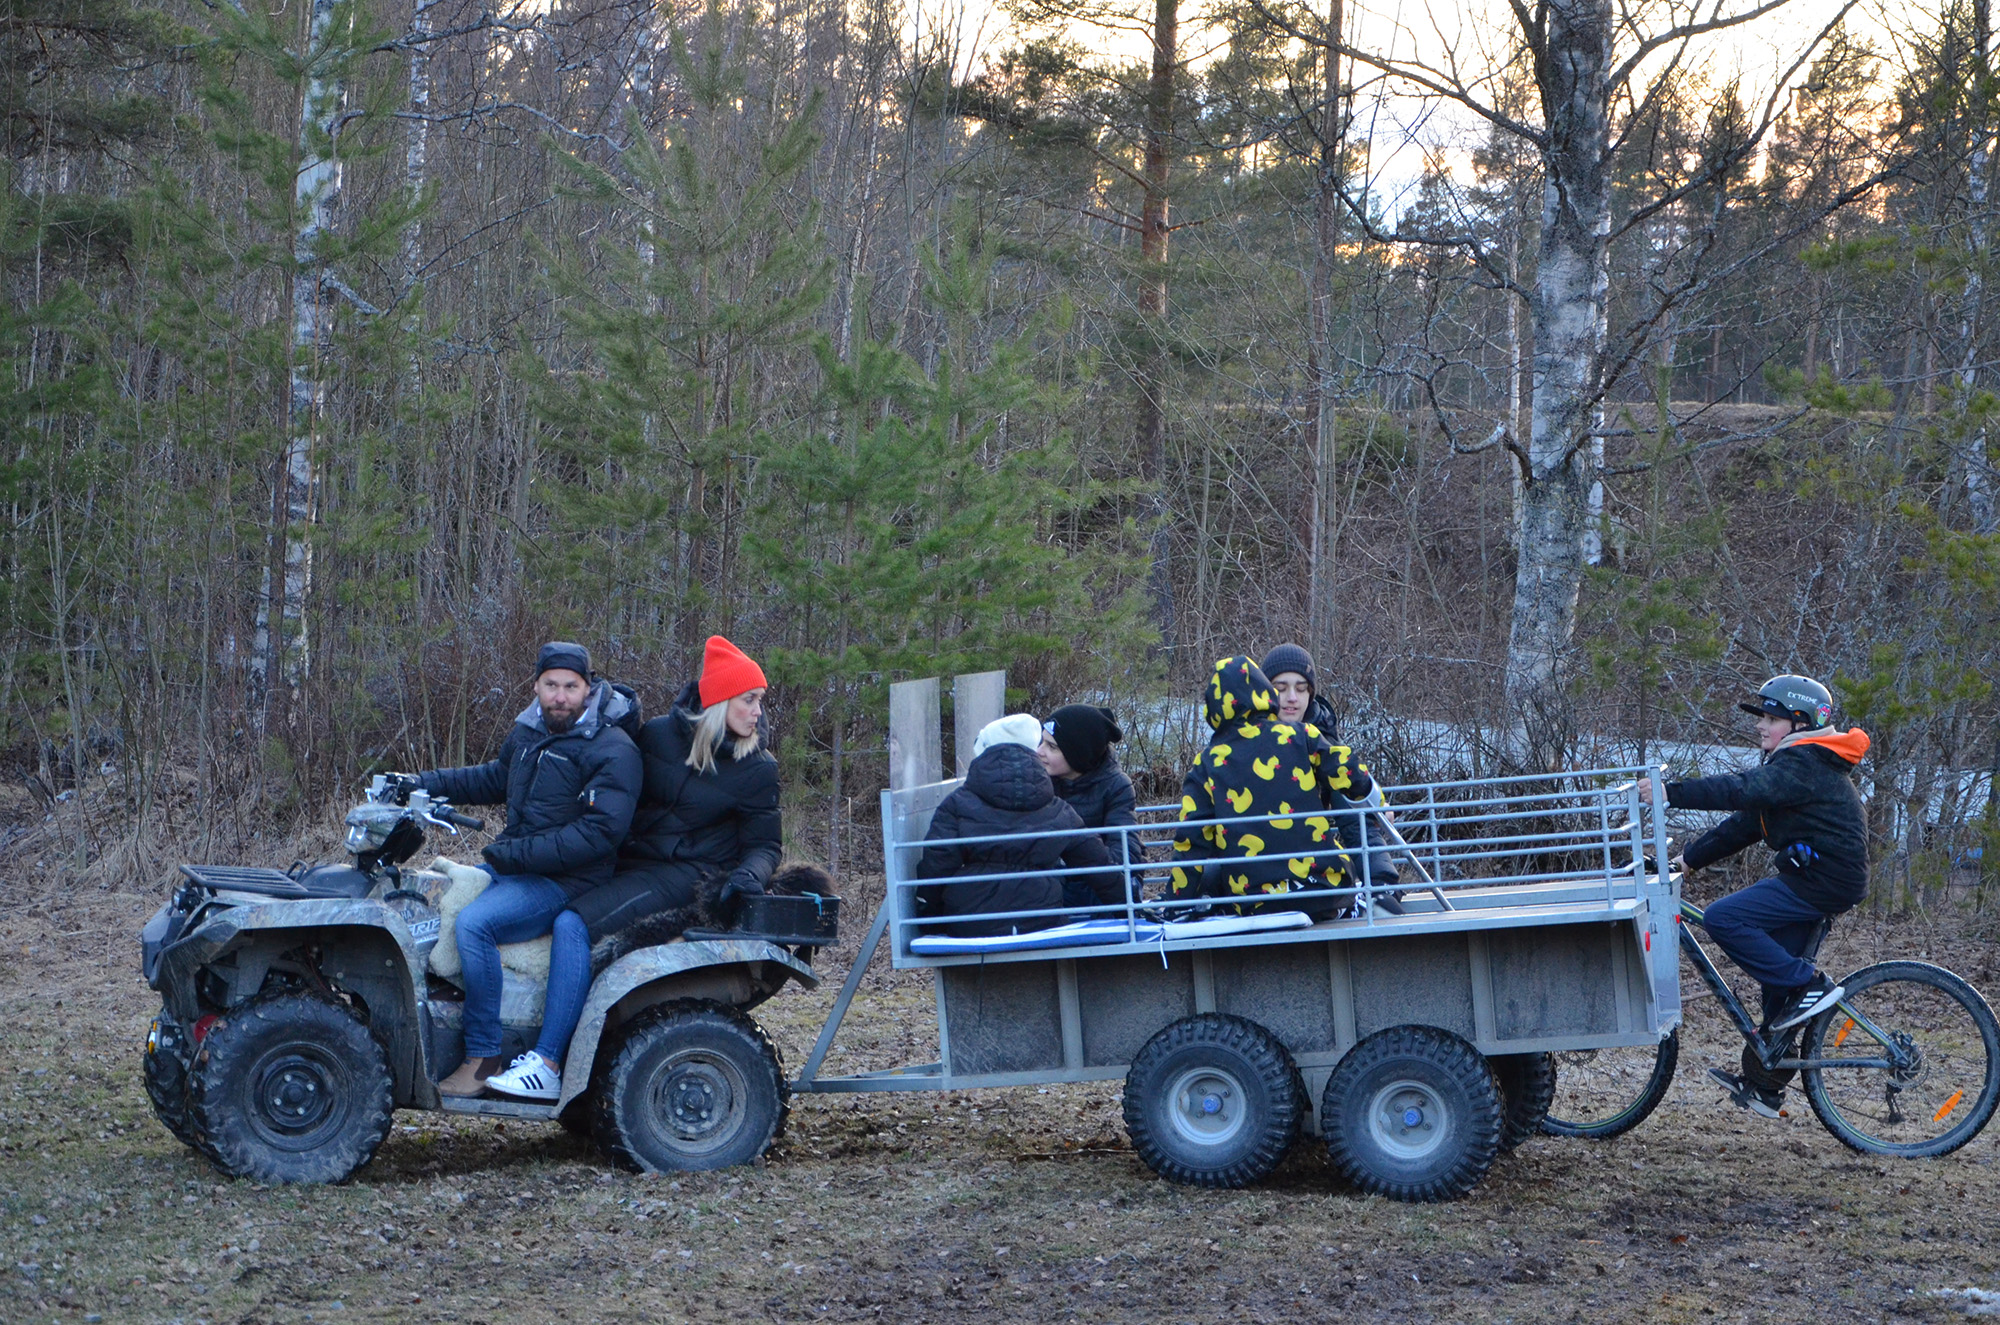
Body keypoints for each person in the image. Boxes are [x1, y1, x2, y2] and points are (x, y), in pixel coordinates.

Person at [1638, 673, 1871, 1118]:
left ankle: (1811, 985)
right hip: (1823, 878)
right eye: (1762, 717)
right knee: (1778, 985)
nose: (1761, 725)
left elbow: (1740, 790)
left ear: (1800, 723)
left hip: (1823, 881)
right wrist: (1686, 862)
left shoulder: (1804, 763)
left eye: (1771, 718)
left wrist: (1671, 793)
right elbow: (1745, 825)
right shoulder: (1799, 765)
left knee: (1724, 918)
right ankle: (1766, 1084)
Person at [417, 642, 642, 1100]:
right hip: (519, 865)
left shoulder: (613, 748)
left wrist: (516, 856)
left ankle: (483, 1058)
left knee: (475, 924)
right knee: (422, 902)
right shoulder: (530, 731)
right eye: (551, 685)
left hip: (568, 881)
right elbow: (494, 778)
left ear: (588, 688)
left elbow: (598, 835)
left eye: (570, 687)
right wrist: (424, 783)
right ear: (536, 685)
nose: (560, 696)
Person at [1168, 655, 1373, 916]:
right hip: (1322, 890)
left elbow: (1191, 842)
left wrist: (1174, 903)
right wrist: (1374, 800)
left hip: (1253, 900)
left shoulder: (1207, 763)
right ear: (1265, 692)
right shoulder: (1300, 735)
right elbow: (1350, 770)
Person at [916, 715, 1116, 936]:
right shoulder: (1057, 808)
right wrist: (1128, 907)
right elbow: (1097, 862)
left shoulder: (957, 803)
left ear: (983, 754)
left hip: (972, 924)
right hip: (1043, 921)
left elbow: (937, 865)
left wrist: (930, 922)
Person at [1259, 643, 1402, 906]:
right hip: (1252, 868)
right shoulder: (1243, 741)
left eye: (1301, 688)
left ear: (1311, 693)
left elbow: (1354, 817)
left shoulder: (1323, 739)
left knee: (1351, 801)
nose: (1292, 697)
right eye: (1280, 688)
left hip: (1310, 868)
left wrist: (1373, 802)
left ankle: (1379, 883)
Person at [1039, 704, 1143, 902]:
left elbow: (1125, 856)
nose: (1038, 751)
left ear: (1078, 754)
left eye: (1052, 747)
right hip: (1050, 886)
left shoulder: (1116, 785)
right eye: (1041, 742)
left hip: (1097, 888)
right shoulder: (1038, 781)